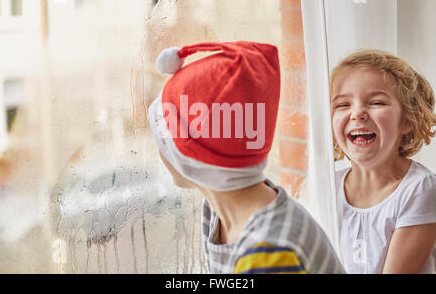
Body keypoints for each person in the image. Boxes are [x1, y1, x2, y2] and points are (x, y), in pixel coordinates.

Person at [148, 41, 344, 274]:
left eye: (163, 139)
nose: (160, 149)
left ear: (192, 158)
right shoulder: (219, 212)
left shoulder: (268, 255)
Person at [330, 49, 436, 273]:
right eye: (342, 105)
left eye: (376, 103)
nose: (357, 113)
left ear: (407, 120)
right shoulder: (328, 187)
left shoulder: (419, 188)